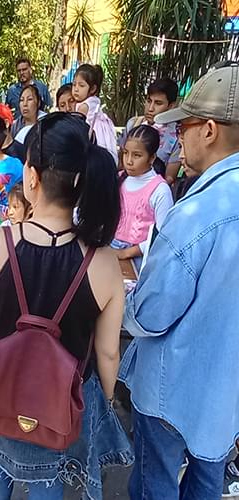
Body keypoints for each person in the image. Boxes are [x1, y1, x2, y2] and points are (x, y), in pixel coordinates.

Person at [0, 112, 131, 499]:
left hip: (1, 391)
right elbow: (107, 353)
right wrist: (101, 401)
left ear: (31, 177)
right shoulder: (103, 263)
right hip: (63, 405)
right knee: (48, 483)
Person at [119, 62, 239, 500]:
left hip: (173, 390)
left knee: (156, 486)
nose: (178, 139)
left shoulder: (196, 213)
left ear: (208, 130)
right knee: (208, 481)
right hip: (227, 395)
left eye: (182, 127)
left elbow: (151, 314)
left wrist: (125, 305)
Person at [111, 125, 173, 270]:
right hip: (112, 248)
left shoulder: (160, 190)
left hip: (141, 257)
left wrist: (126, 253)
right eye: (126, 153)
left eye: (137, 155)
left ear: (152, 158)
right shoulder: (119, 179)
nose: (129, 161)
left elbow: (161, 235)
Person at [118, 78, 181, 181]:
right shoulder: (133, 124)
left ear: (171, 106)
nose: (150, 108)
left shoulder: (177, 136)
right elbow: (120, 162)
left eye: (158, 103)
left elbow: (169, 178)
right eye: (148, 101)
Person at [73, 64, 119, 164]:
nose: (76, 89)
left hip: (94, 132)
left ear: (93, 89)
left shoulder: (84, 106)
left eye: (81, 85)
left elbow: (77, 125)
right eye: (74, 84)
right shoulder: (93, 100)